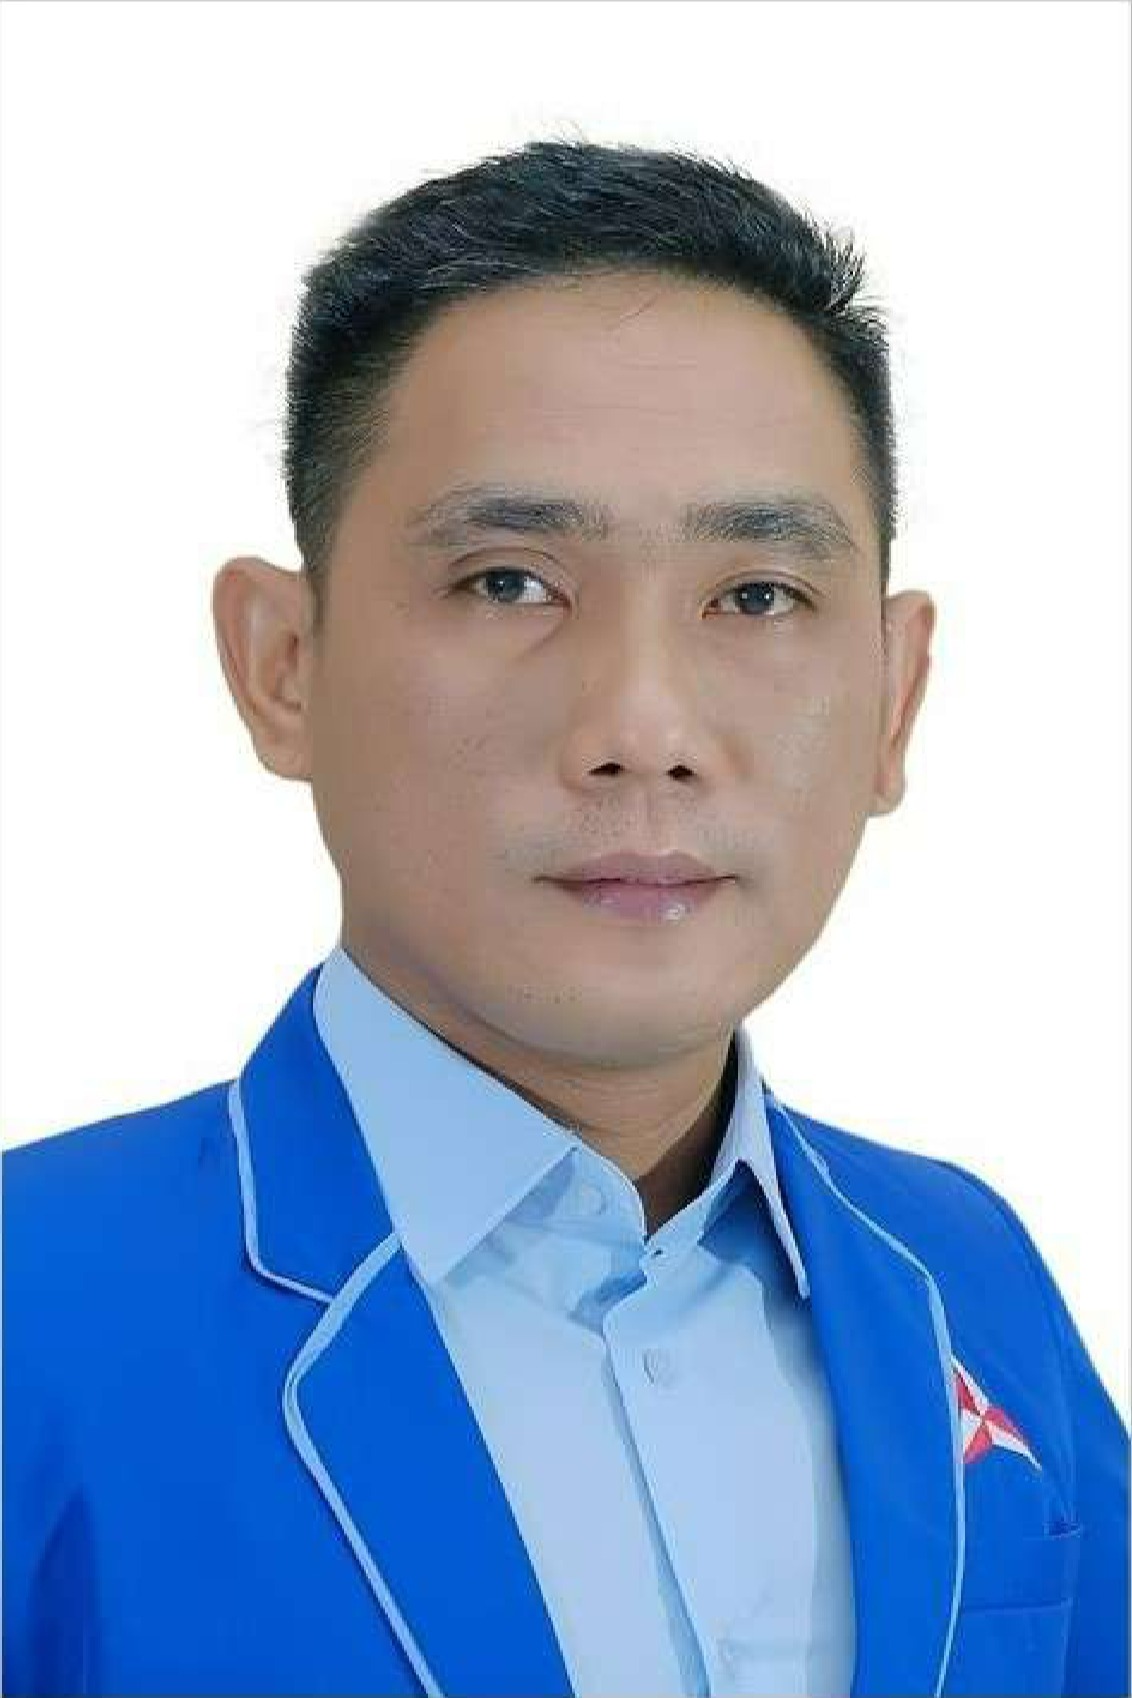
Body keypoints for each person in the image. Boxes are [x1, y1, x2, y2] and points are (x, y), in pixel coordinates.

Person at [3, 137, 1127, 1698]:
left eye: (757, 596)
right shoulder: (35, 1305)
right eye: (510, 583)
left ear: (895, 695)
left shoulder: (964, 1273)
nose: (643, 727)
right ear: (282, 665)